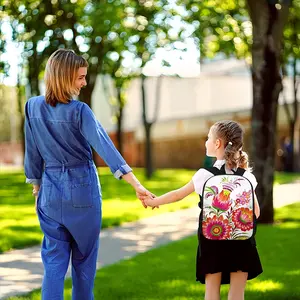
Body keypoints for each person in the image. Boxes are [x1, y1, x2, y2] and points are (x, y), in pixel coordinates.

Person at [24, 48, 153, 300]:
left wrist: (37, 189)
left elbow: (32, 153)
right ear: (64, 77)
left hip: (49, 193)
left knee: (53, 265)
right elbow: (106, 148)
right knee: (83, 265)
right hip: (82, 191)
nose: (84, 83)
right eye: (80, 77)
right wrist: (135, 184)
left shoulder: (32, 107)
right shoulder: (79, 111)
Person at [144, 120, 263, 300]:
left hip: (212, 241)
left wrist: (154, 202)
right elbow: (256, 212)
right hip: (242, 241)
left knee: (211, 293)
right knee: (237, 294)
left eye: (208, 138)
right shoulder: (247, 176)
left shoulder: (205, 175)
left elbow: (178, 195)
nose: (206, 142)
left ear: (217, 144)